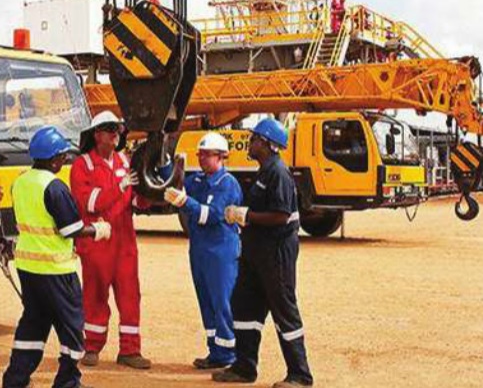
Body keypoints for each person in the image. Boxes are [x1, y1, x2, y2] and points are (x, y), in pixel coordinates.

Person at [2, 126, 112, 388]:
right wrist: (98, 229)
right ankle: (68, 382)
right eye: (63, 156)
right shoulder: (54, 186)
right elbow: (70, 229)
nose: (64, 161)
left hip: (29, 269)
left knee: (33, 324)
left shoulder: (21, 182)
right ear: (53, 159)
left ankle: (15, 379)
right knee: (72, 327)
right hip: (56, 271)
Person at [213, 118, 314, 387]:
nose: (251, 142)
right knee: (244, 307)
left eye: (255, 138)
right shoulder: (265, 170)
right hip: (256, 254)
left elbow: (281, 216)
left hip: (276, 254)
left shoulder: (278, 172)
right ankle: (245, 367)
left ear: (268, 144)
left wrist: (246, 215)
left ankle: (300, 375)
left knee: (284, 311)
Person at [69, 111, 152, 370]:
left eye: (117, 129)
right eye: (109, 129)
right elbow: (91, 203)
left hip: (125, 244)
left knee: (130, 296)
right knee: (94, 296)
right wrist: (120, 187)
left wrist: (150, 192)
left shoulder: (124, 161)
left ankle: (130, 350)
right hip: (96, 244)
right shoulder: (82, 165)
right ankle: (91, 346)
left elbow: (135, 202)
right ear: (96, 134)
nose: (115, 134)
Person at [163, 132, 243, 370]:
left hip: (221, 253)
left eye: (207, 155)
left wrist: (185, 203)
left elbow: (214, 215)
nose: (202, 159)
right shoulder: (197, 181)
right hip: (200, 250)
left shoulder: (228, 184)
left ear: (221, 157)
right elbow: (172, 182)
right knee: (206, 301)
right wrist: (167, 160)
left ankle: (228, 353)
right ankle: (215, 350)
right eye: (200, 155)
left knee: (222, 301)